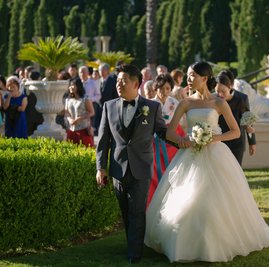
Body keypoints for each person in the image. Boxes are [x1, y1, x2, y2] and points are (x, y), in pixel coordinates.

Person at [145, 62, 269, 263]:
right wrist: (183, 141)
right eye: (187, 76)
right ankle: (182, 241)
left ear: (204, 78)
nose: (188, 79)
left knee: (216, 199)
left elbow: (234, 131)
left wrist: (212, 138)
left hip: (216, 154)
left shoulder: (219, 102)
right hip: (189, 155)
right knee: (187, 197)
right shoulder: (185, 103)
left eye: (192, 76)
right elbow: (170, 131)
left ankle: (218, 241)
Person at [95, 64, 170, 264]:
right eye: (118, 80)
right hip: (118, 168)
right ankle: (133, 243)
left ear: (136, 83)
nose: (119, 84)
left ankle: (134, 253)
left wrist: (182, 141)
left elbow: (162, 131)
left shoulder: (152, 107)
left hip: (142, 167)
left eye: (124, 80)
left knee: (137, 210)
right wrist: (100, 168)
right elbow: (103, 141)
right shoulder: (108, 106)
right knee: (126, 211)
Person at [147, 74, 185, 206]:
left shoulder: (174, 103)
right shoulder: (149, 103)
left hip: (170, 139)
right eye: (161, 88)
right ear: (155, 88)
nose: (164, 92)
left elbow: (179, 123)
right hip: (153, 139)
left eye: (168, 89)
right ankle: (153, 200)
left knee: (171, 168)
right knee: (154, 169)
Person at [215, 70, 256, 165]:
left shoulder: (242, 98)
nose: (220, 94)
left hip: (237, 143)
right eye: (217, 91)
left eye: (223, 91)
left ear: (230, 87)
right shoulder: (213, 99)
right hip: (219, 141)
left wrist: (252, 143)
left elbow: (248, 122)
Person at [65, 77, 95, 147]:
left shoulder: (85, 99)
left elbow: (92, 112)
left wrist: (79, 119)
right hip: (71, 130)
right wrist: (70, 120)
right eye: (70, 85)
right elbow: (66, 112)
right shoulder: (68, 100)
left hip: (83, 130)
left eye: (73, 85)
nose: (71, 87)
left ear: (78, 86)